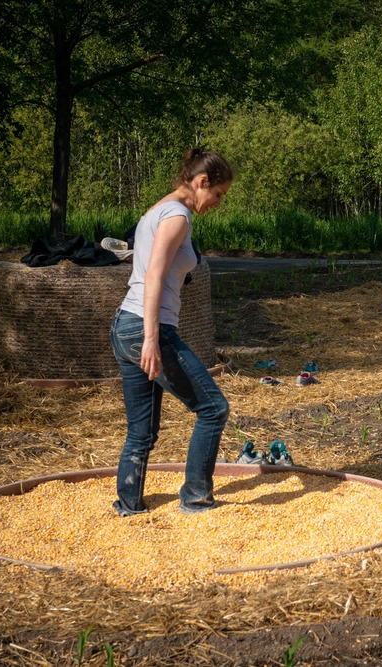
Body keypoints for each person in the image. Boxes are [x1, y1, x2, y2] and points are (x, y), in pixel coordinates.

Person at [109, 148, 233, 516]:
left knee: (141, 430)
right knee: (213, 409)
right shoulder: (178, 216)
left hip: (124, 324)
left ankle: (128, 505)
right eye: (218, 194)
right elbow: (153, 275)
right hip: (148, 328)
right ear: (201, 182)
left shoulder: (157, 209)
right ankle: (196, 497)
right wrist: (150, 339)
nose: (218, 203)